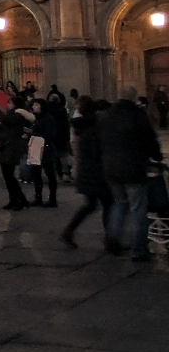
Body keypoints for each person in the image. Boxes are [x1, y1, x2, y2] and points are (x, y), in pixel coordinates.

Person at [97, 86, 162, 262]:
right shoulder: (138, 116)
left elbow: (99, 140)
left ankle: (112, 239)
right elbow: (150, 140)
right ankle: (138, 249)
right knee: (137, 209)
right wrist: (157, 156)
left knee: (119, 204)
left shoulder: (107, 116)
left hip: (111, 168)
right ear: (134, 98)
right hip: (133, 169)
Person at [61, 98, 112, 249]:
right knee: (107, 204)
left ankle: (69, 230)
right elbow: (99, 151)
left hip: (86, 172)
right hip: (97, 173)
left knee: (92, 205)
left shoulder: (83, 126)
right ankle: (110, 239)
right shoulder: (94, 128)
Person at [0, 100, 32, 211]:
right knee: (7, 176)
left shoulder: (18, 115)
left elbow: (5, 121)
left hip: (11, 149)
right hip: (5, 148)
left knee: (10, 176)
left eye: (10, 102)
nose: (7, 104)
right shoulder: (10, 115)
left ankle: (21, 200)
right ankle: (14, 200)